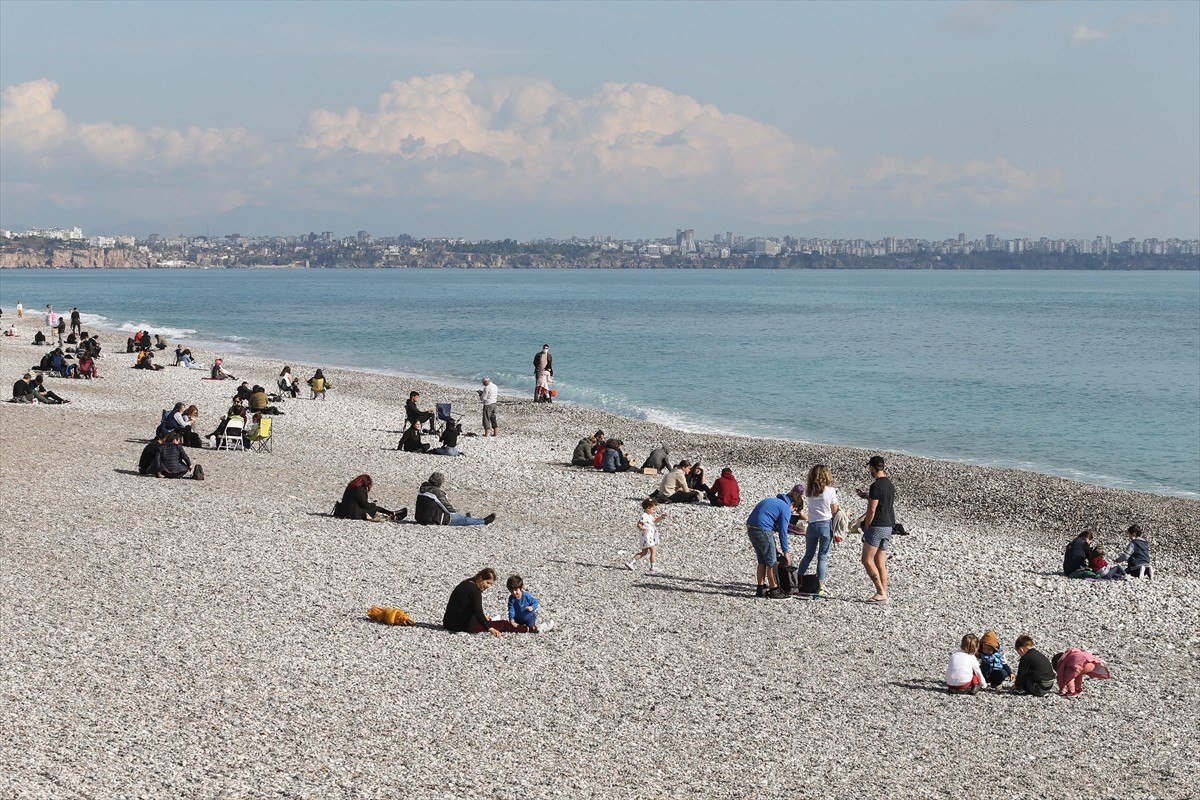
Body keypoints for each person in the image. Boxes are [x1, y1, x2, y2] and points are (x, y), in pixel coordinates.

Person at [744, 488, 805, 599]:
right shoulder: (785, 508)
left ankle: (760, 588)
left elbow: (770, 524)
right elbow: (783, 532)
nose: (792, 512)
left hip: (751, 528)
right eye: (794, 510)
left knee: (761, 560)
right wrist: (786, 552)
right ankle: (774, 589)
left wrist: (773, 544)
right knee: (771, 562)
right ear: (793, 504)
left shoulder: (773, 501)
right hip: (762, 529)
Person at [443, 568, 534, 636]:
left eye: (491, 584)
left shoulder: (465, 583)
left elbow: (464, 607)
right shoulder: (475, 591)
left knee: (487, 619)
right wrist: (490, 629)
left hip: (448, 623)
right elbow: (478, 612)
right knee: (503, 624)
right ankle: (531, 629)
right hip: (463, 626)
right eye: (488, 582)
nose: (489, 586)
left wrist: (484, 617)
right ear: (480, 578)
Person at [855, 455, 896, 603]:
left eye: (869, 468)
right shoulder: (889, 485)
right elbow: (882, 502)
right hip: (889, 525)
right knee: (880, 561)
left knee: (866, 560)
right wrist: (867, 496)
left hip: (877, 525)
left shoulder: (876, 485)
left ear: (872, 467)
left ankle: (880, 592)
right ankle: (884, 593)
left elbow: (872, 510)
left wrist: (866, 525)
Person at [796, 464, 839, 597]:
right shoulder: (830, 491)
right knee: (822, 557)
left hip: (812, 525)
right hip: (825, 525)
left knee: (808, 555)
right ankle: (820, 584)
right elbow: (835, 510)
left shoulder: (810, 491)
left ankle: (798, 579)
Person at [415, 472, 495, 526]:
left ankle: (470, 519)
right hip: (433, 520)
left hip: (420, 518)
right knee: (463, 519)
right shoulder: (436, 492)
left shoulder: (423, 489)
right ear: (439, 482)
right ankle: (483, 521)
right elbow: (449, 510)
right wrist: (457, 515)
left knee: (463, 518)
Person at [332, 474, 407, 521]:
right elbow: (365, 505)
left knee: (374, 509)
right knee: (375, 508)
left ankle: (392, 513)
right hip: (353, 514)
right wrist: (372, 504)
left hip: (344, 511)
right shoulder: (360, 490)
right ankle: (392, 514)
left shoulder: (351, 487)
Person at [626, 497, 666, 574]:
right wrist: (643, 529)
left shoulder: (649, 516)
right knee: (653, 551)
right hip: (647, 536)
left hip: (647, 536)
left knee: (644, 552)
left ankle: (631, 562)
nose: (654, 511)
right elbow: (639, 524)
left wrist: (661, 517)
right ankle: (652, 567)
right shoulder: (644, 515)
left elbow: (654, 521)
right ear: (648, 508)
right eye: (653, 509)